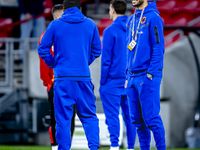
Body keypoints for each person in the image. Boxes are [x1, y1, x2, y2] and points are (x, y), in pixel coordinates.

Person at [38, 0, 101, 150]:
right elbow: (97, 50)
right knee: (89, 117)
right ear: (80, 8)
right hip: (84, 78)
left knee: (63, 120)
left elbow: (42, 49)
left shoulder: (55, 25)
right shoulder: (90, 24)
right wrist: (84, 62)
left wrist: (54, 63)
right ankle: (94, 147)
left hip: (63, 80)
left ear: (64, 9)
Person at [125, 0, 166, 150]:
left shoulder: (154, 18)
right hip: (131, 77)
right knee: (137, 120)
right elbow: (128, 50)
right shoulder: (131, 19)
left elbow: (158, 48)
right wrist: (126, 75)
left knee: (152, 119)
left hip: (146, 76)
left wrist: (151, 74)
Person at [99, 1, 136, 150]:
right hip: (129, 80)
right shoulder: (133, 30)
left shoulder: (110, 31)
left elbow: (106, 60)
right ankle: (131, 147)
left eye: (109, 9)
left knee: (113, 116)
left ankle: (114, 146)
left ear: (113, 10)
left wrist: (103, 82)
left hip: (112, 81)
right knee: (131, 118)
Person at [38, 4, 76, 150]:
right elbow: (43, 62)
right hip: (55, 82)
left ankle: (67, 146)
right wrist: (48, 82)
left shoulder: (70, 34)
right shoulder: (46, 36)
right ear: (58, 17)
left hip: (69, 81)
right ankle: (55, 146)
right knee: (56, 116)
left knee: (69, 115)